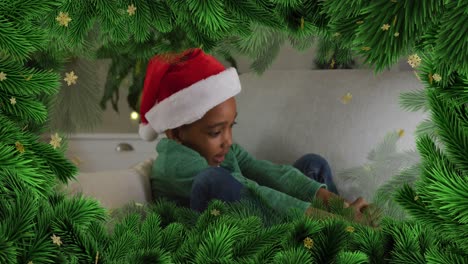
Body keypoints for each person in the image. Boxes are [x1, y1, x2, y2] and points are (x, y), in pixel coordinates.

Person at [139, 48, 369, 220]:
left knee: (313, 165)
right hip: (230, 236)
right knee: (213, 180)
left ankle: (343, 230)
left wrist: (338, 205)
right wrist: (322, 217)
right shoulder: (176, 163)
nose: (228, 140)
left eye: (231, 126)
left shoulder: (222, 150)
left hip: (263, 217)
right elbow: (250, 190)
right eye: (216, 132)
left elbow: (268, 172)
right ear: (177, 133)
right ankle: (335, 230)